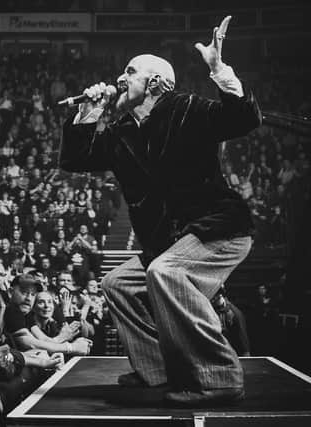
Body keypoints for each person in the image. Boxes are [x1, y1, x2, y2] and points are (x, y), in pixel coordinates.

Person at [59, 16, 261, 406]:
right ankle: (158, 370)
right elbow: (75, 159)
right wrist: (89, 111)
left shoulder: (184, 108)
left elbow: (241, 119)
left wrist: (220, 72)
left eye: (130, 71)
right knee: (117, 284)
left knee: (165, 272)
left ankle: (220, 376)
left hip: (220, 230)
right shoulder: (121, 132)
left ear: (155, 83)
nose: (120, 77)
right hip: (170, 242)